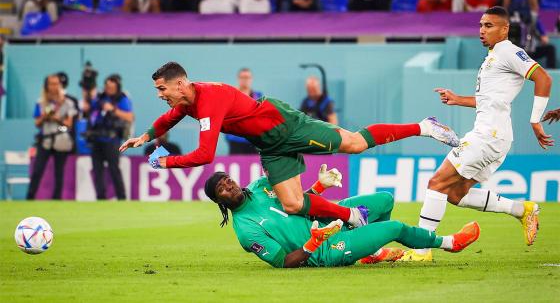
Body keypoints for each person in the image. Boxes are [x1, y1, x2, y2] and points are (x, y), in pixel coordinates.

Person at [120, 61, 460, 229]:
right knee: (294, 205)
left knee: (355, 144)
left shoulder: (210, 100)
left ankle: (423, 126)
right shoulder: (187, 99)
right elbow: (170, 119)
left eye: (162, 89)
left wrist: (164, 163)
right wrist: (146, 136)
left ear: (181, 84)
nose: (160, 95)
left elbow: (206, 155)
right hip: (268, 145)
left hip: (285, 126)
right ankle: (354, 216)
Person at [400, 6, 553, 262]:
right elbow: (489, 100)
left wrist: (535, 120)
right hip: (493, 135)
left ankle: (421, 251)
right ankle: (521, 209)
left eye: (489, 26)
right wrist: (457, 99)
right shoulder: (494, 56)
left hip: (489, 135)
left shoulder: (509, 51)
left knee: (437, 183)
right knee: (454, 194)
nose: (482, 30)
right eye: (481, 25)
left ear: (505, 29)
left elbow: (544, 79)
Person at [202, 167, 480, 268]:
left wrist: (319, 186)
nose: (229, 186)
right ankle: (449, 242)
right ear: (219, 201)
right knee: (394, 226)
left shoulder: (260, 186)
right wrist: (313, 244)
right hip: (325, 250)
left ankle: (371, 250)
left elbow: (299, 202)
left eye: (228, 180)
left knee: (385, 200)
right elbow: (282, 262)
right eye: (221, 189)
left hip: (327, 220)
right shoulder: (245, 231)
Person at [27, 74, 78, 200]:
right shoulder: (41, 102)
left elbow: (69, 124)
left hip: (61, 139)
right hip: (45, 140)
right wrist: (45, 116)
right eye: (51, 84)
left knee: (59, 173)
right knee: (37, 170)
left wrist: (57, 118)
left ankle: (57, 199)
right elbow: (37, 123)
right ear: (47, 86)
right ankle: (29, 198)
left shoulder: (68, 102)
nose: (54, 86)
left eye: (57, 84)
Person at [85, 75, 134, 200]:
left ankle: (121, 197)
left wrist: (112, 109)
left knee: (114, 169)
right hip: (97, 139)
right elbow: (87, 108)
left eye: (112, 87)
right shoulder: (100, 97)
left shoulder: (122, 99)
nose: (109, 89)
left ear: (117, 87)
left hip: (112, 140)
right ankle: (100, 197)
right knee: (97, 171)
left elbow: (129, 117)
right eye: (107, 87)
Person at [225, 68, 262, 155]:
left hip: (254, 140)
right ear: (238, 79)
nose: (245, 80)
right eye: (243, 77)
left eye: (247, 77)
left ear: (251, 79)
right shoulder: (231, 95)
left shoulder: (259, 96)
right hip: (236, 140)